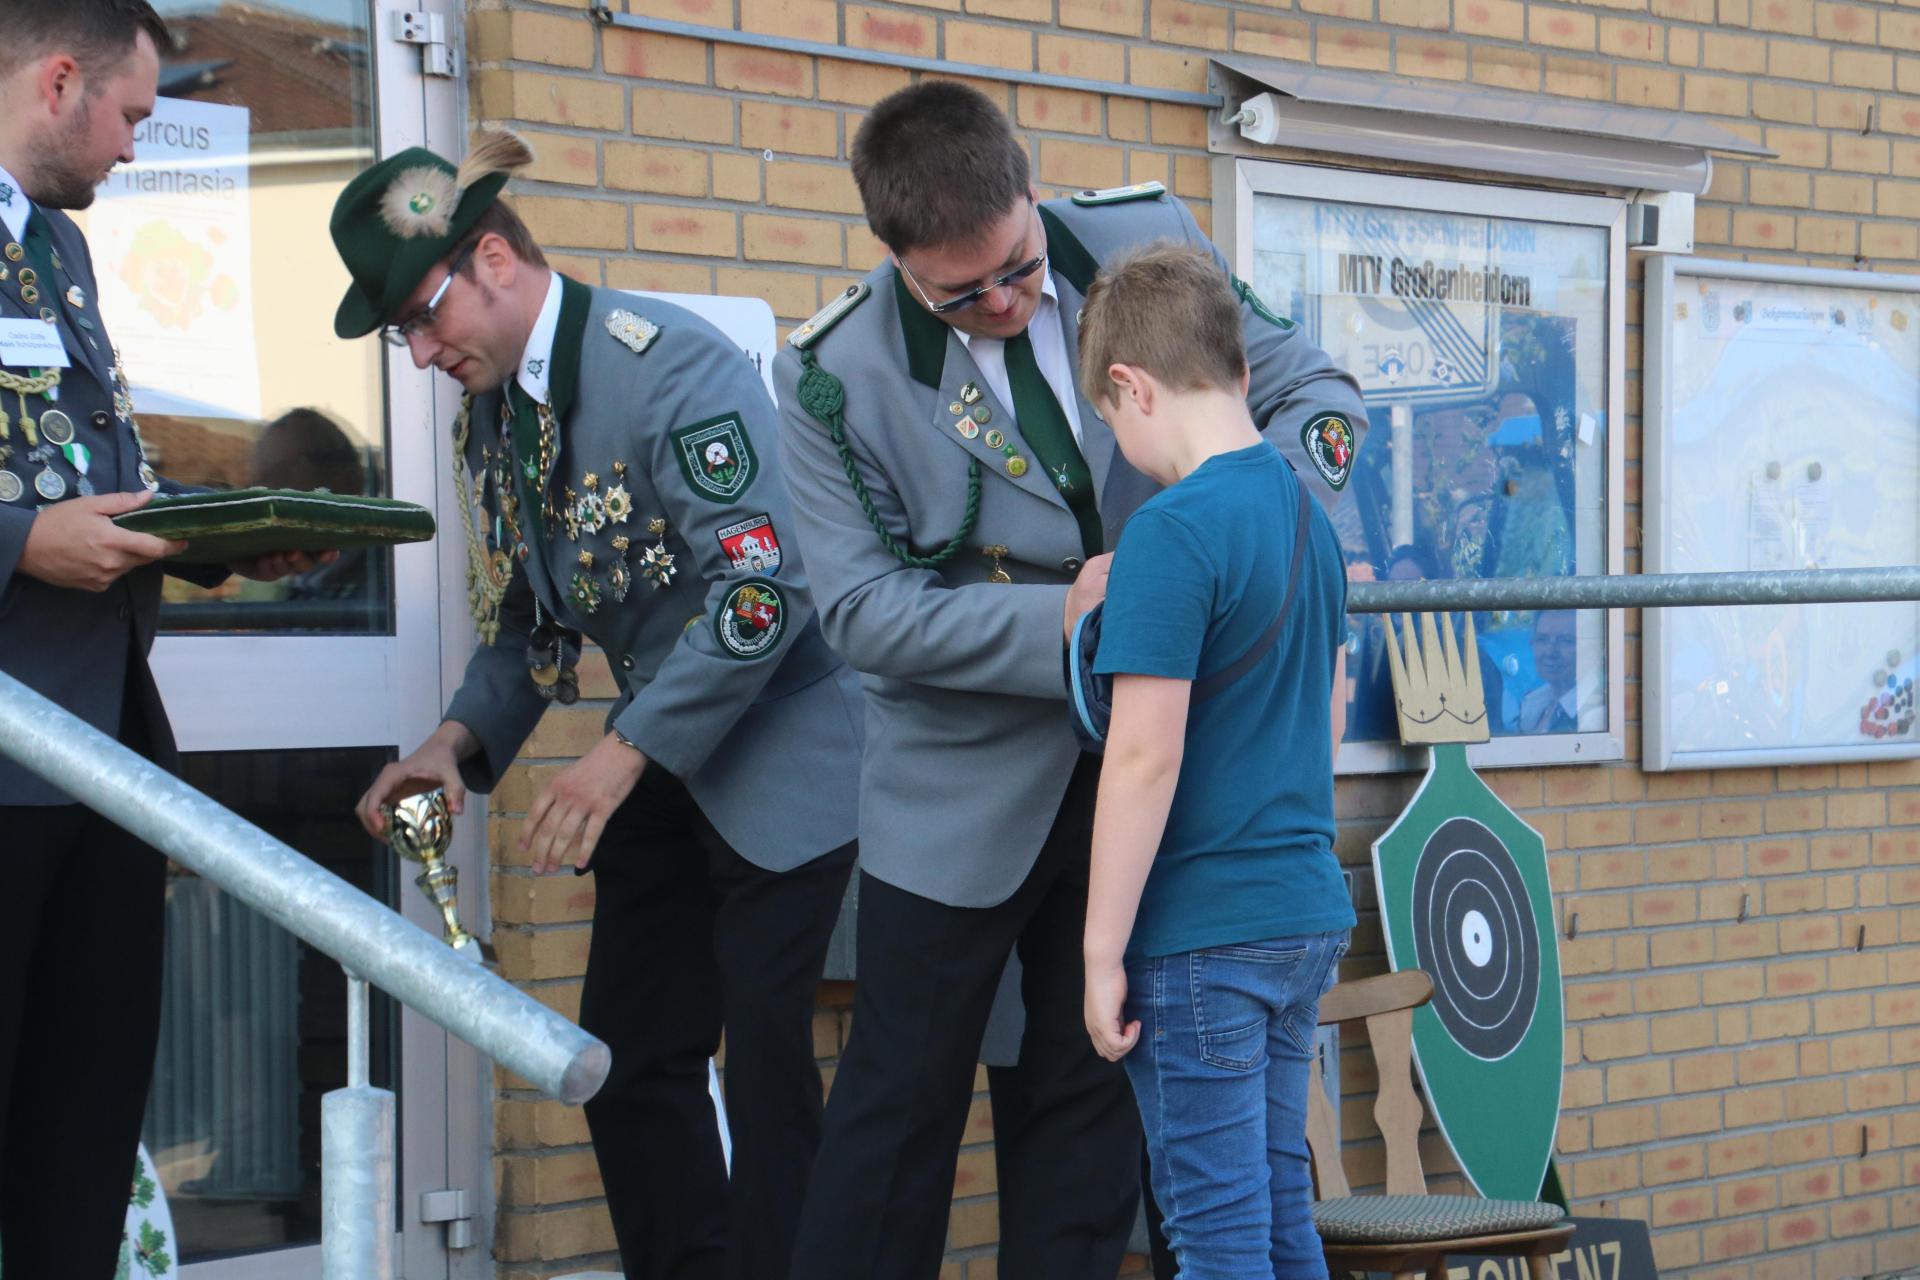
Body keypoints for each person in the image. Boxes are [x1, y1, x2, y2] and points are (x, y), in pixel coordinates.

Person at [774, 81, 1366, 1280]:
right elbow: (861, 611)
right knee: (892, 1123)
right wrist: (1073, 614)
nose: (1002, 302)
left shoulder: (1148, 245)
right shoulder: (831, 376)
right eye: (961, 294)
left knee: (1089, 1125)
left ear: (1032, 190)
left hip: (1147, 788)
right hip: (959, 794)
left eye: (1018, 268)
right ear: (893, 259)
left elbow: (1315, 393)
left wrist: (1248, 536)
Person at [330, 133, 862, 1280]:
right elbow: (533, 620)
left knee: (772, 1063)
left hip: (784, 757)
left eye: (424, 317)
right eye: (401, 334)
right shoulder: (495, 417)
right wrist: (452, 742)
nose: (420, 352)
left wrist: (622, 754)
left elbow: (765, 590)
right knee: (623, 1054)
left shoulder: (670, 366)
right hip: (666, 753)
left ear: (493, 259)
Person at [0, 3, 321, 1273]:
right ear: (59, 79)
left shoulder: (58, 252)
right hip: (13, 758)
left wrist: (230, 536)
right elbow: (37, 518)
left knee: (77, 1137)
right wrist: (18, 545)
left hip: (108, 753)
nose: (136, 147)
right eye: (132, 114)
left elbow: (87, 476)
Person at [1075, 243, 1355, 1280]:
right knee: (1284, 1215)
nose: (1124, 447)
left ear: (1130, 387)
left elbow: (1144, 757)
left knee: (1217, 1240)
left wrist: (1101, 951)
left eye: (1113, 426)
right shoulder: (1304, 514)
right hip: (1301, 913)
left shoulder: (1170, 530)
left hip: (1200, 938)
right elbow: (1326, 705)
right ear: (1240, 370)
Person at [1516, 609, 1601, 734]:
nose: (1550, 652)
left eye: (1566, 641)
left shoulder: (1596, 715)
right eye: (1542, 639)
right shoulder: (1534, 701)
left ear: (1592, 648)